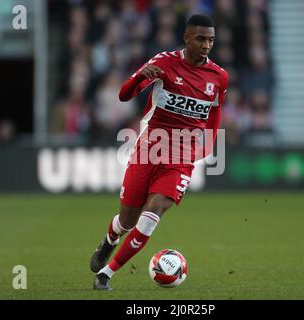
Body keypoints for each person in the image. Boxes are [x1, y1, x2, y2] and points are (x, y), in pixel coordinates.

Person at [90, 14, 229, 290]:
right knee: (127, 218)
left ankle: (106, 274)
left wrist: (209, 144)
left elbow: (214, 113)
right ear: (186, 37)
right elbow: (124, 95)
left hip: (181, 157)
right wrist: (140, 77)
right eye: (200, 39)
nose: (206, 45)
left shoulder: (219, 77)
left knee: (152, 212)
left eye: (211, 40)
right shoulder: (163, 63)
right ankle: (110, 239)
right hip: (148, 150)